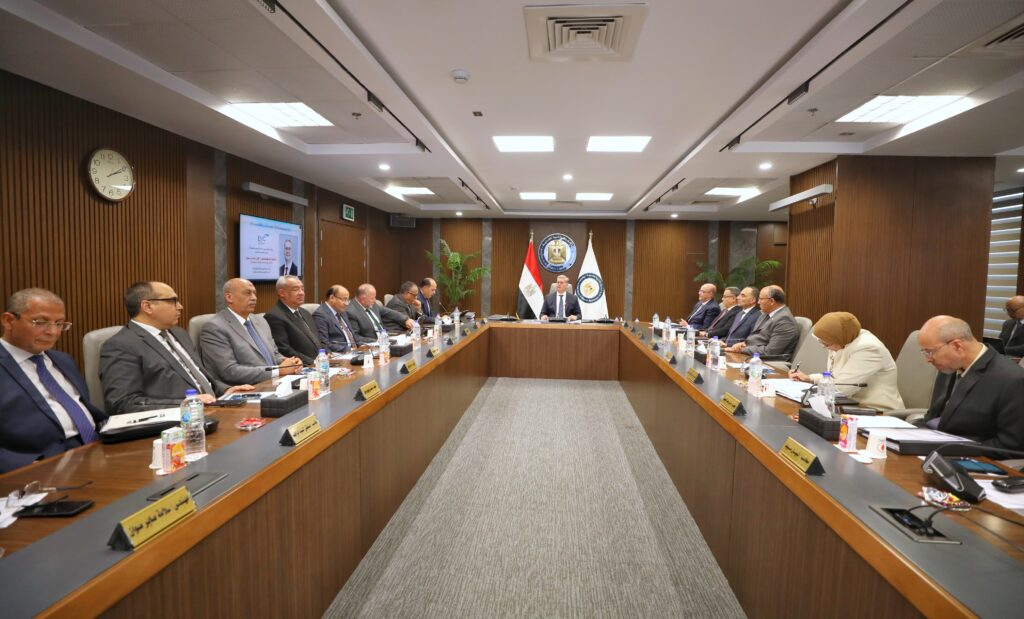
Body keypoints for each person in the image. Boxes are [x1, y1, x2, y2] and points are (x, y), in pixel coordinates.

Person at [100, 282, 253, 414]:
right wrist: (186, 403)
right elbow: (123, 403)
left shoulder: (178, 333)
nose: (180, 306)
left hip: (213, 409)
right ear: (147, 306)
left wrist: (225, 390)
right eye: (173, 301)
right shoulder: (121, 345)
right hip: (176, 424)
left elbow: (198, 376)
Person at [0, 288, 108, 473]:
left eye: (59, 324)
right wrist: (30, 467)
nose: (53, 332)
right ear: (9, 321)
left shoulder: (63, 360)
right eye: (41, 322)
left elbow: (85, 409)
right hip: (42, 467)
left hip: (98, 450)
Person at [919, 315, 1024, 450]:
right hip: (931, 447)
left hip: (969, 457)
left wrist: (950, 449)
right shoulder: (949, 366)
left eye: (930, 352)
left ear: (957, 346)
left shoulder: (1012, 380)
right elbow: (933, 416)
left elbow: (1011, 445)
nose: (928, 360)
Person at [789, 312, 904, 411]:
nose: (825, 347)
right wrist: (810, 378)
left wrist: (807, 392)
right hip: (848, 405)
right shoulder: (842, 340)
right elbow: (835, 378)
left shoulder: (868, 348)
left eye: (827, 344)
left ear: (839, 338)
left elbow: (842, 389)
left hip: (876, 410)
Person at [200, 278, 302, 385]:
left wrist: (290, 363)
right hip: (247, 388)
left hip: (275, 382)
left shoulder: (260, 320)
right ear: (229, 297)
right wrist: (278, 371)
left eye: (254, 293)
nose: (254, 298)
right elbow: (229, 371)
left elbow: (274, 354)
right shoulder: (215, 327)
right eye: (247, 293)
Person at [726, 285, 799, 360]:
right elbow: (756, 338)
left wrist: (742, 349)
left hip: (768, 362)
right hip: (753, 356)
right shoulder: (765, 314)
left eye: (761, 299)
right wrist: (743, 344)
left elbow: (770, 352)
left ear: (772, 301)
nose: (758, 302)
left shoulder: (785, 321)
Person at [264, 275, 323, 365]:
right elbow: (284, 349)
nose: (301, 293)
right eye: (296, 289)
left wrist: (326, 354)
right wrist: (312, 362)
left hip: (321, 362)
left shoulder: (305, 312)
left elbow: (317, 339)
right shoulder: (274, 316)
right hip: (303, 366)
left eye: (302, 289)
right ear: (282, 293)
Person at [346, 283, 414, 343]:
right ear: (363, 299)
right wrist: (377, 341)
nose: (375, 300)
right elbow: (356, 337)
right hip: (372, 345)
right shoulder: (351, 312)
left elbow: (389, 312)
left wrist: (405, 319)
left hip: (385, 339)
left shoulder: (372, 304)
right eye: (372, 298)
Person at [312, 285, 359, 353]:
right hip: (340, 354)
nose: (346, 304)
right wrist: (350, 350)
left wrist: (362, 346)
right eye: (344, 299)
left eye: (347, 300)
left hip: (355, 352)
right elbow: (324, 343)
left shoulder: (342, 312)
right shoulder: (320, 315)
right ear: (332, 298)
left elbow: (352, 336)